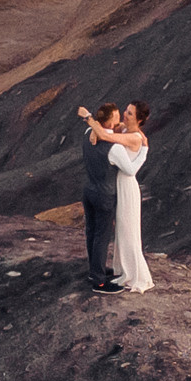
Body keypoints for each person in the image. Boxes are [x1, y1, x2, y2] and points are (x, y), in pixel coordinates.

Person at [86, 101, 153, 294]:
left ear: (139, 119)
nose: (125, 115)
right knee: (122, 231)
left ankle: (135, 275)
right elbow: (107, 131)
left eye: (130, 113)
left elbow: (107, 136)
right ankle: (124, 270)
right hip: (118, 185)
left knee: (129, 230)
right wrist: (95, 130)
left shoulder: (134, 138)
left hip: (127, 186)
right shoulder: (124, 129)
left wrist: (90, 121)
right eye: (126, 111)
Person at [76, 103, 122, 291]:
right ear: (109, 121)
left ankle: (95, 270)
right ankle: (99, 281)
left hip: (89, 190)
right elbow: (128, 168)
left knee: (92, 232)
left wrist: (91, 121)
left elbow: (96, 129)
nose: (119, 120)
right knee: (102, 236)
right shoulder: (113, 146)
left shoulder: (89, 134)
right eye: (117, 117)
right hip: (105, 194)